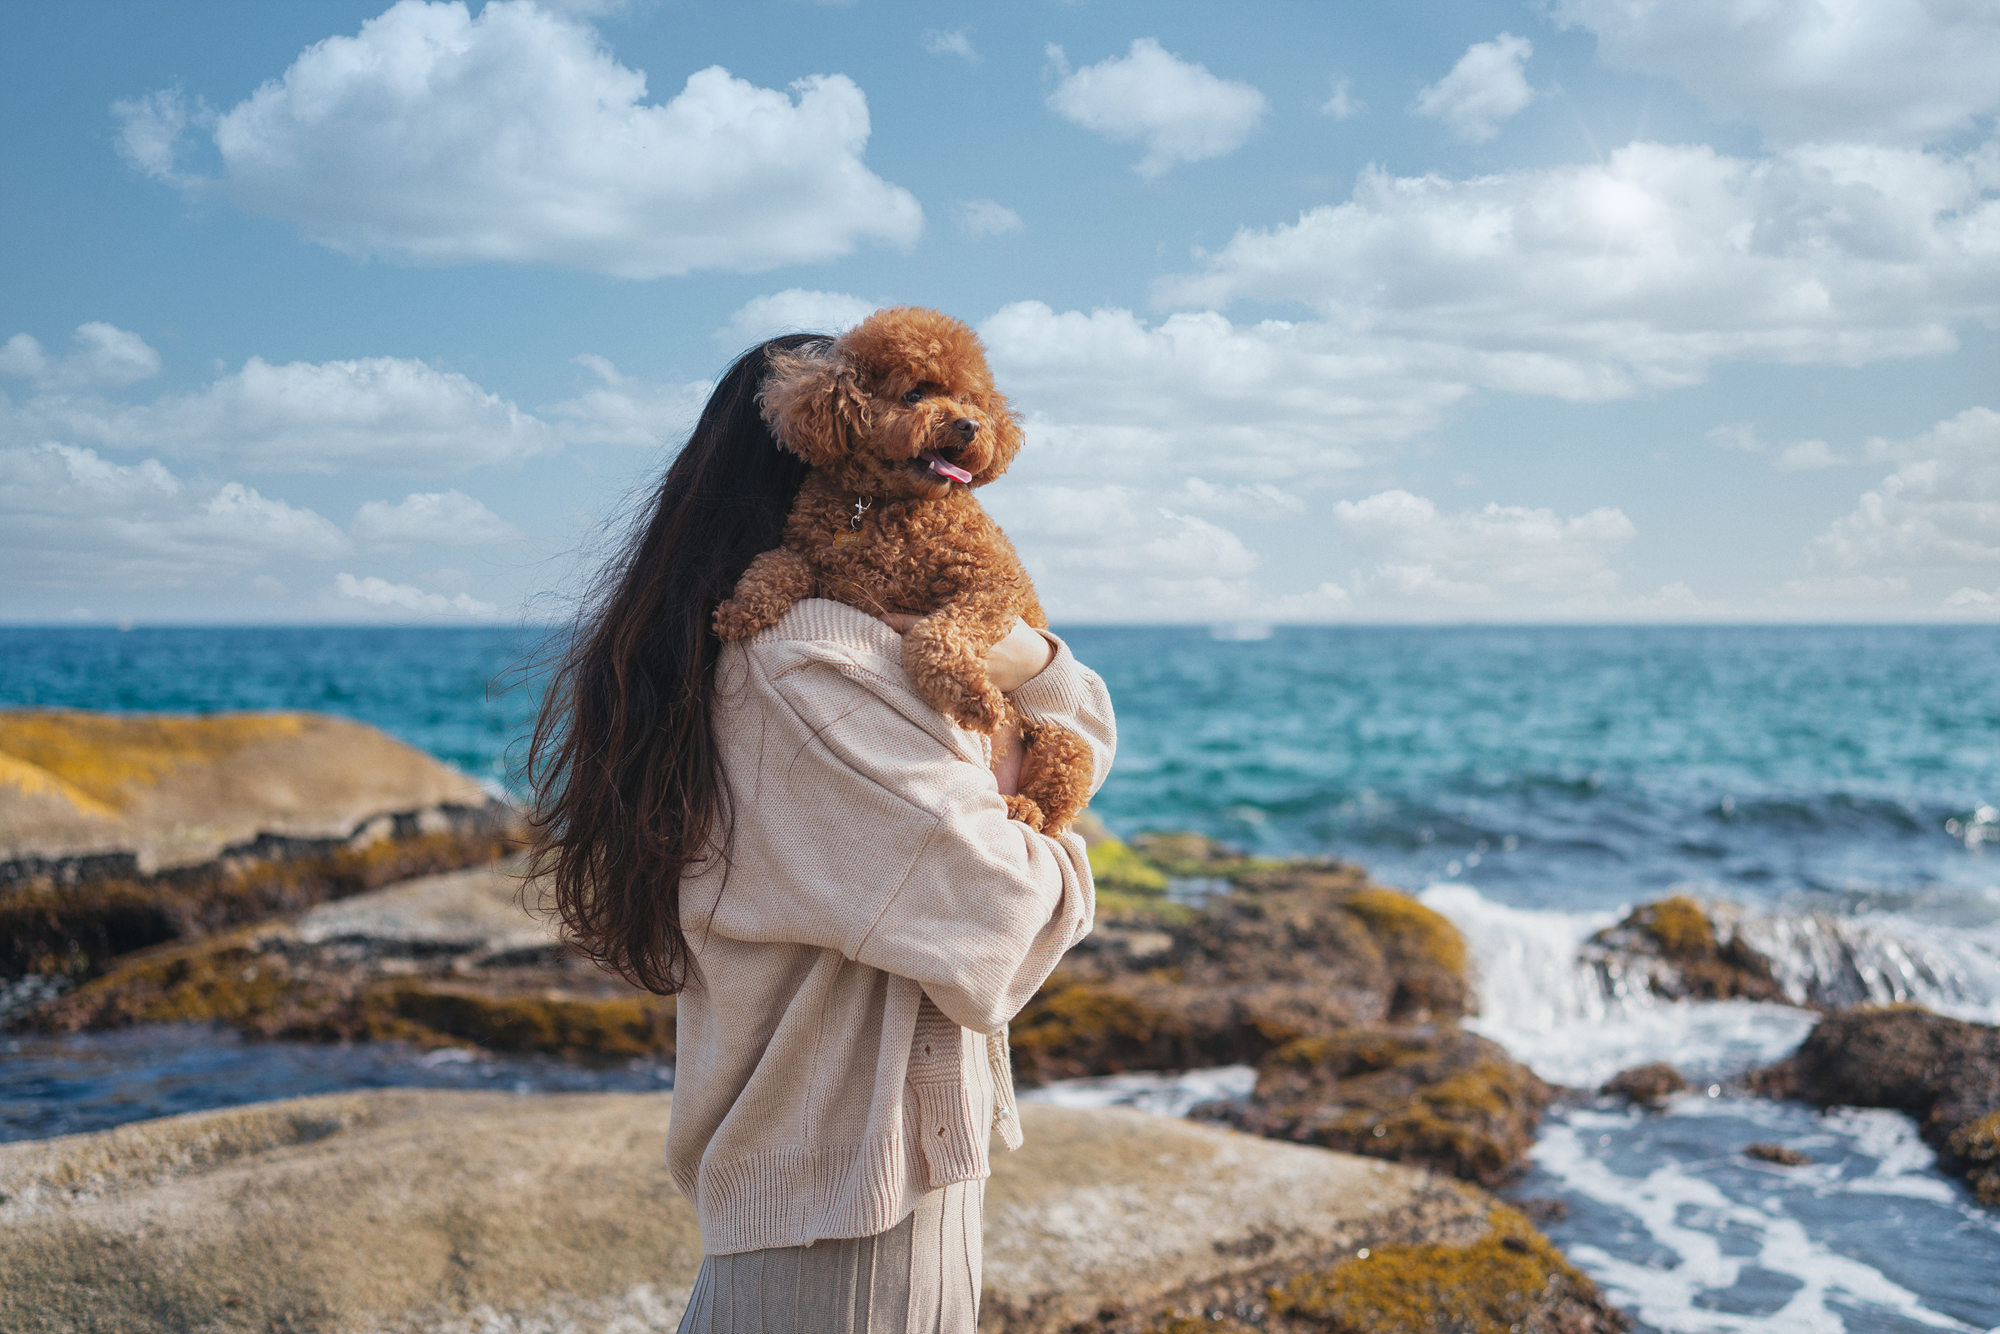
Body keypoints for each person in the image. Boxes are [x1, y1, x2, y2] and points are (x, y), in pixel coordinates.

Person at [526, 334, 1116, 1334]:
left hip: (859, 1188)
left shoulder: (812, 656)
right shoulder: (811, 669)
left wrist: (1028, 659)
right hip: (843, 1212)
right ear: (823, 460)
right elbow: (1002, 908)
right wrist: (1043, 697)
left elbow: (1057, 749)